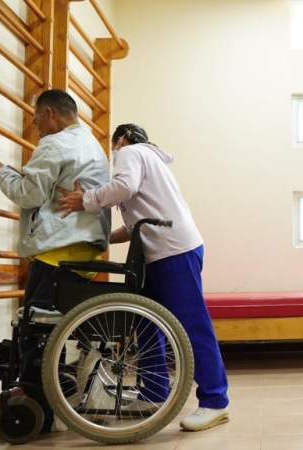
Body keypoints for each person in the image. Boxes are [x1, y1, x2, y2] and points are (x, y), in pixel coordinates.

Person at [57, 123, 229, 432]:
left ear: (119, 140)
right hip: (164, 250)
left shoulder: (130, 152)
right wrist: (105, 239)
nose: (114, 155)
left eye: (114, 149)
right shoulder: (149, 159)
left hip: (173, 251)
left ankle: (215, 402)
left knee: (191, 325)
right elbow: (135, 223)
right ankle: (153, 393)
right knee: (146, 320)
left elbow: (124, 187)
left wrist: (85, 200)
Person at [0, 89, 111, 431]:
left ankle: (37, 408)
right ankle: (58, 394)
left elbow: (29, 193)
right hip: (83, 253)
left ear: (51, 113)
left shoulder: (55, 145)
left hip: (57, 252)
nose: (35, 125)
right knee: (56, 332)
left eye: (37, 117)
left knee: (33, 334)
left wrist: (1, 172)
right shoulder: (90, 142)